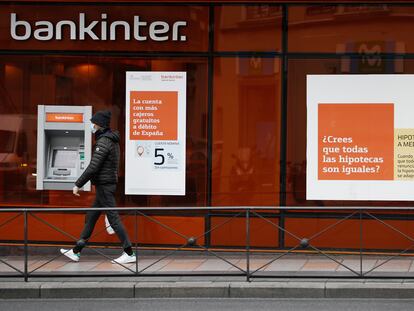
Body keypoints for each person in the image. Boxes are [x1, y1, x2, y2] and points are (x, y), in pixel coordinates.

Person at [60, 110, 136, 264]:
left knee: (113, 219)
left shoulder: (103, 142)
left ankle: (129, 253)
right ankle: (76, 251)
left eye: (93, 123)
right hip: (106, 184)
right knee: (92, 217)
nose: (91, 125)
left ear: (99, 124)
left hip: (104, 185)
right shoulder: (111, 140)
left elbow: (93, 167)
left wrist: (78, 184)